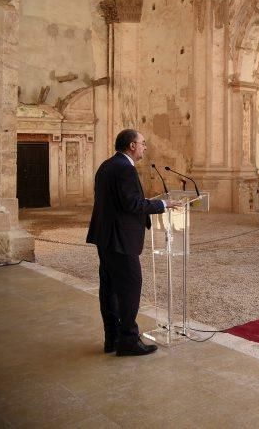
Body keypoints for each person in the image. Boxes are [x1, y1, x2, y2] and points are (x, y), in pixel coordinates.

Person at [86, 129, 182, 356]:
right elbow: (132, 205)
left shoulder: (106, 165)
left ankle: (112, 338)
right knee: (130, 287)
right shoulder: (125, 169)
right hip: (121, 239)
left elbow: (118, 201)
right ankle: (128, 340)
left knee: (109, 289)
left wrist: (145, 201)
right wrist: (163, 205)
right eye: (143, 143)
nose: (145, 147)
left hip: (105, 236)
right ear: (131, 145)